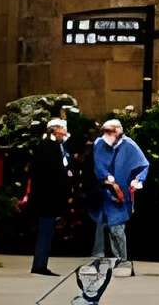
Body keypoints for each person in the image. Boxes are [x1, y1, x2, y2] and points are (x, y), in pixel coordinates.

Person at [91, 116, 148, 276]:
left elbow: (143, 165)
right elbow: (99, 166)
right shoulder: (100, 144)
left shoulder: (129, 145)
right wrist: (106, 178)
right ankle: (105, 258)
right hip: (105, 191)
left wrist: (138, 180)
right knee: (104, 225)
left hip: (122, 192)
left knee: (116, 227)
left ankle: (122, 259)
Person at [23, 115, 78, 277]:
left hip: (45, 197)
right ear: (55, 131)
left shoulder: (48, 146)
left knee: (46, 231)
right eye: (62, 130)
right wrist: (66, 191)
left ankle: (40, 263)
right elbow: (56, 174)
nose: (64, 133)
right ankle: (40, 265)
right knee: (46, 232)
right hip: (48, 198)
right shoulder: (50, 148)